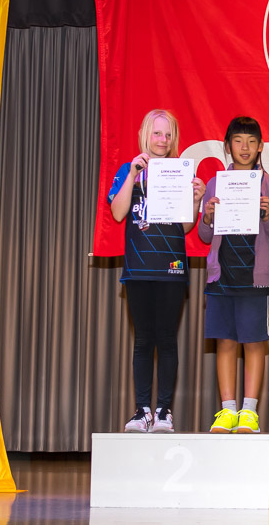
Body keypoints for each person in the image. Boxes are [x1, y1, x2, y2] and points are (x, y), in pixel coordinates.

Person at [106, 109, 204, 434]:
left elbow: (186, 226)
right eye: (157, 133)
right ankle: (142, 410)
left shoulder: (180, 173)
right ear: (145, 135)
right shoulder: (129, 170)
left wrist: (195, 200)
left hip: (171, 268)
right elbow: (118, 213)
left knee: (167, 339)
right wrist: (134, 174)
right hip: (138, 269)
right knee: (143, 340)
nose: (162, 140)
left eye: (168, 134)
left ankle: (164, 410)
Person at [199, 116, 269, 434]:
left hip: (255, 277)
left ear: (261, 146)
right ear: (227, 146)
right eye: (238, 141)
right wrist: (207, 217)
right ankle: (227, 410)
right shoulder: (215, 183)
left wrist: (267, 216)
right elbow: (205, 236)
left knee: (253, 343)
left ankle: (249, 411)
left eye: (251, 141)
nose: (245, 147)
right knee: (225, 342)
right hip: (221, 275)